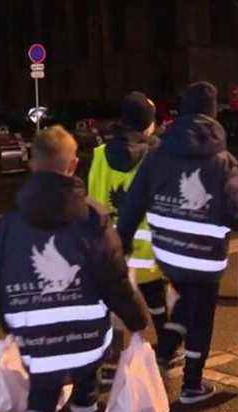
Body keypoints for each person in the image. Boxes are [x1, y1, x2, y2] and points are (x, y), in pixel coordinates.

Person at [117, 81, 238, 404]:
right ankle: (192, 385)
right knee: (201, 317)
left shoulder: (158, 153)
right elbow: (236, 209)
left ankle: (167, 348)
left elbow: (134, 201)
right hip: (206, 256)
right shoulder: (222, 159)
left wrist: (123, 241)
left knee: (186, 302)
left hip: (168, 252)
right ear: (212, 114)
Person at [0, 125, 150, 412]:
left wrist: (10, 324)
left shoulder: (12, 218)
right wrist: (137, 320)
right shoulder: (91, 216)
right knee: (85, 394)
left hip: (34, 338)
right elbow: (114, 278)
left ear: (31, 162)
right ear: (73, 164)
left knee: (41, 397)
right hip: (85, 336)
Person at [88, 92, 177, 382]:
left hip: (111, 245)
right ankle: (166, 350)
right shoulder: (157, 155)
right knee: (156, 300)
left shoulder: (100, 155)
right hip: (149, 248)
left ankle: (111, 363)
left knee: (114, 301)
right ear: (147, 124)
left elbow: (92, 198)